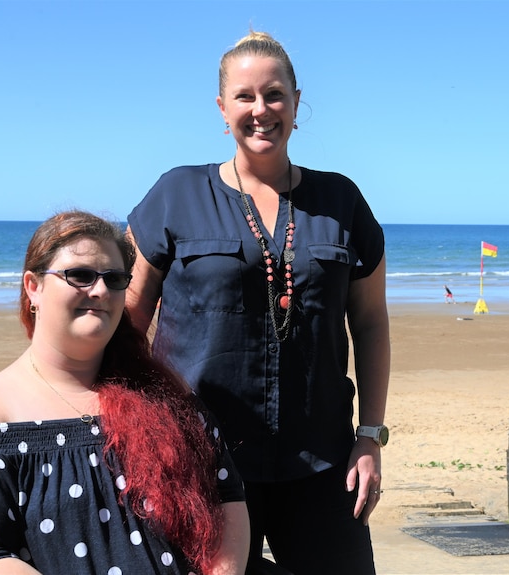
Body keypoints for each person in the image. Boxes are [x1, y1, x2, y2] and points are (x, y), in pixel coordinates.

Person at [125, 31, 390, 575]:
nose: (260, 109)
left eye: (274, 95)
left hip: (321, 461)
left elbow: (370, 323)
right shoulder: (176, 194)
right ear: (223, 109)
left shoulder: (341, 200)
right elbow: (126, 319)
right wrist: (129, 428)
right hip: (199, 462)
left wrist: (369, 437)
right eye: (244, 97)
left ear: (296, 102)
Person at [0, 211, 250, 575]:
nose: (99, 290)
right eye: (79, 275)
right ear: (34, 287)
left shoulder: (165, 393)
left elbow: (226, 499)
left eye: (114, 279)